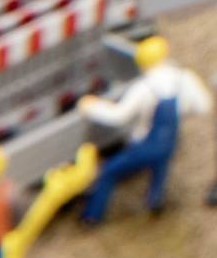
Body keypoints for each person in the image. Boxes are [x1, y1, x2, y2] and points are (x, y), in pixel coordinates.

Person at [77, 38, 206, 225]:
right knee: (160, 167)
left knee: (108, 172)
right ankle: (155, 201)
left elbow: (118, 116)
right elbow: (203, 106)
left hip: (145, 146)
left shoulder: (144, 88)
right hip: (169, 142)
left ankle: (92, 216)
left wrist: (92, 107)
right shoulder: (183, 78)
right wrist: (181, 110)